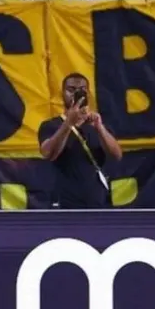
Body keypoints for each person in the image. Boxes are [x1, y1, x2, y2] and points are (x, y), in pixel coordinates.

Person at [38, 73, 122, 209]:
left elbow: (116, 155)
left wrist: (100, 127)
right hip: (65, 201)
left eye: (82, 90)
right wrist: (68, 123)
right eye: (71, 90)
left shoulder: (97, 124)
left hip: (97, 200)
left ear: (88, 93)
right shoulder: (51, 125)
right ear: (62, 93)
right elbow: (48, 153)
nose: (76, 94)